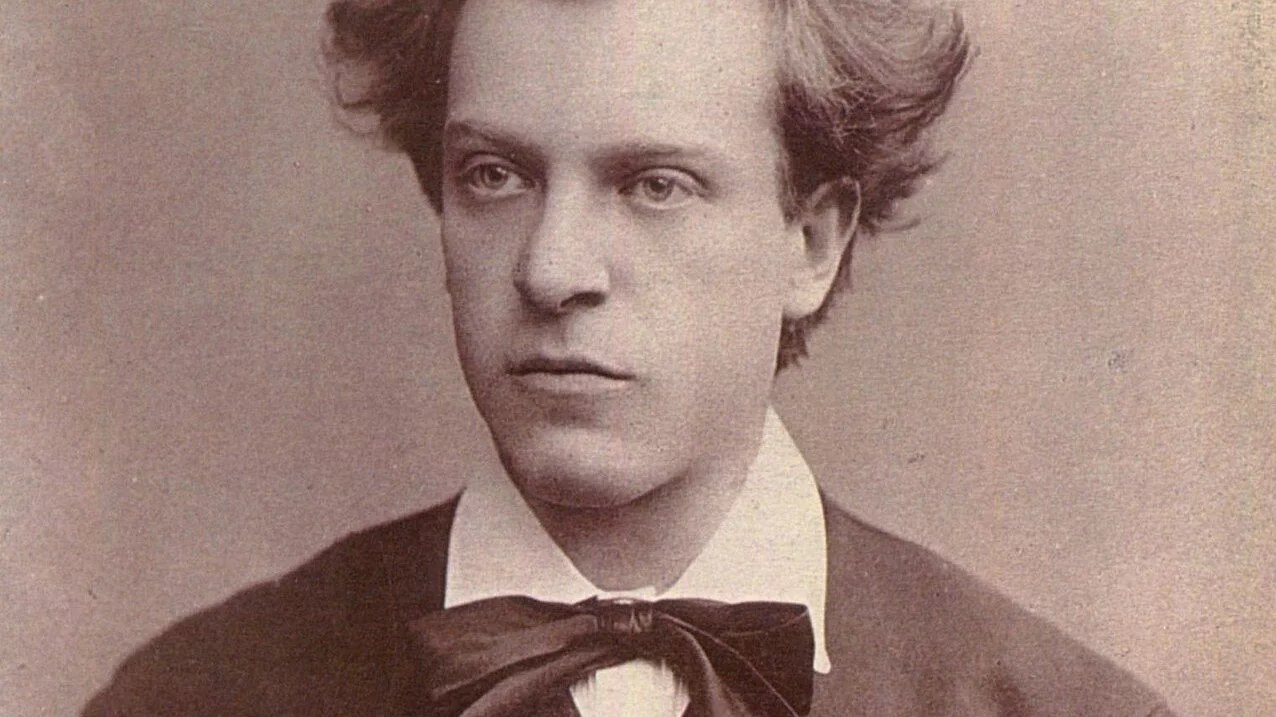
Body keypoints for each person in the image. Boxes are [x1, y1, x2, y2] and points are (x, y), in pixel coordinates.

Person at [82, 0, 1178, 714]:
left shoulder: (1055, 709)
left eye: (656, 185)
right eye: (495, 176)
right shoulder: (199, 696)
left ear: (810, 242)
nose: (553, 269)